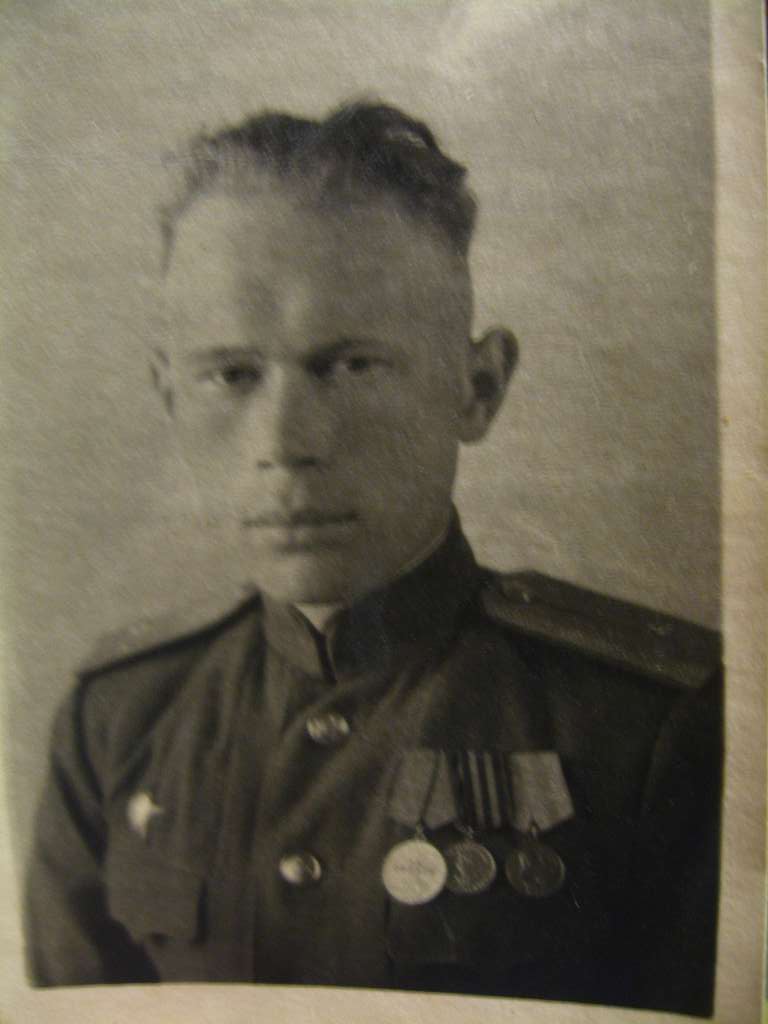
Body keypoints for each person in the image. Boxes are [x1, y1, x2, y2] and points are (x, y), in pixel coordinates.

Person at [24, 101, 722, 1016]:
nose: (285, 443)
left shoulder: (657, 727)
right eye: (231, 375)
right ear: (168, 395)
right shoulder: (117, 720)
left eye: (351, 366)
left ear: (478, 388)